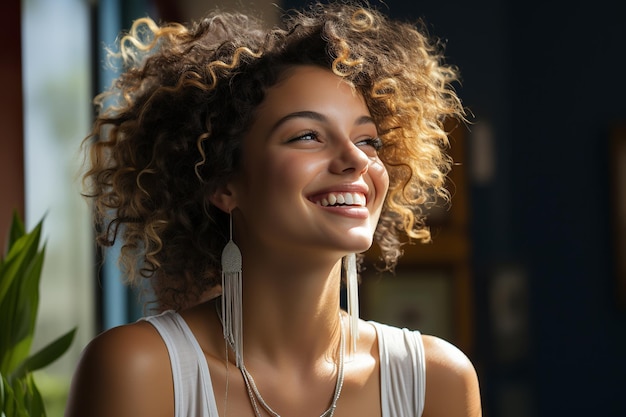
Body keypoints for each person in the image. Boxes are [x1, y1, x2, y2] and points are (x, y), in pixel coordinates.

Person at [65, 1, 481, 416]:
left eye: (368, 140)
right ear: (223, 184)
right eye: (306, 136)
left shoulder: (435, 381)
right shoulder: (137, 370)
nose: (356, 159)